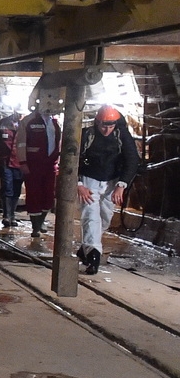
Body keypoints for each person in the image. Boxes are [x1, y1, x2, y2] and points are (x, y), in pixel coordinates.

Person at [77, 105, 140, 275]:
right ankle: (94, 257)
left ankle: (85, 249)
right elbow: (71, 158)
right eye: (104, 126)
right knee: (91, 217)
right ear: (97, 122)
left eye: (111, 126)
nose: (107, 130)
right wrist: (79, 184)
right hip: (89, 180)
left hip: (111, 182)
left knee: (105, 218)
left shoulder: (121, 135)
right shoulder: (86, 135)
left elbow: (132, 160)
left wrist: (122, 184)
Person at [16, 100, 61, 239]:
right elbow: (21, 143)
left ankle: (41, 221)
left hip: (50, 164)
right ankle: (36, 226)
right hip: (33, 164)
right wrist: (23, 162)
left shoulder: (55, 122)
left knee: (48, 195)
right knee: (34, 194)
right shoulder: (28, 121)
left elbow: (58, 142)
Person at [0, 112, 24, 230]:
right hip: (5, 161)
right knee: (7, 187)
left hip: (20, 162)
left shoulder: (26, 124)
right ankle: (7, 216)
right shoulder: (3, 123)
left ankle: (12, 215)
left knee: (16, 188)